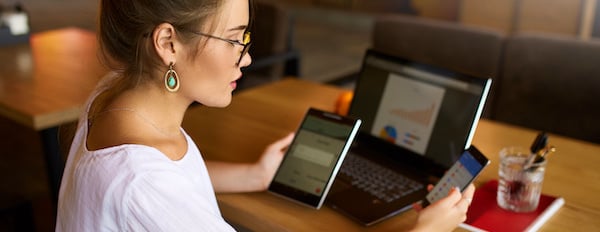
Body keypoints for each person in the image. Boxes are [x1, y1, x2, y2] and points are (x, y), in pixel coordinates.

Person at [56, 0, 475, 231]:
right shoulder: (143, 184)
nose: (248, 56)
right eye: (235, 40)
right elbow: (152, 186)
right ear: (168, 42)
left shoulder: (114, 96)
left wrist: (255, 175)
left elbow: (172, 175)